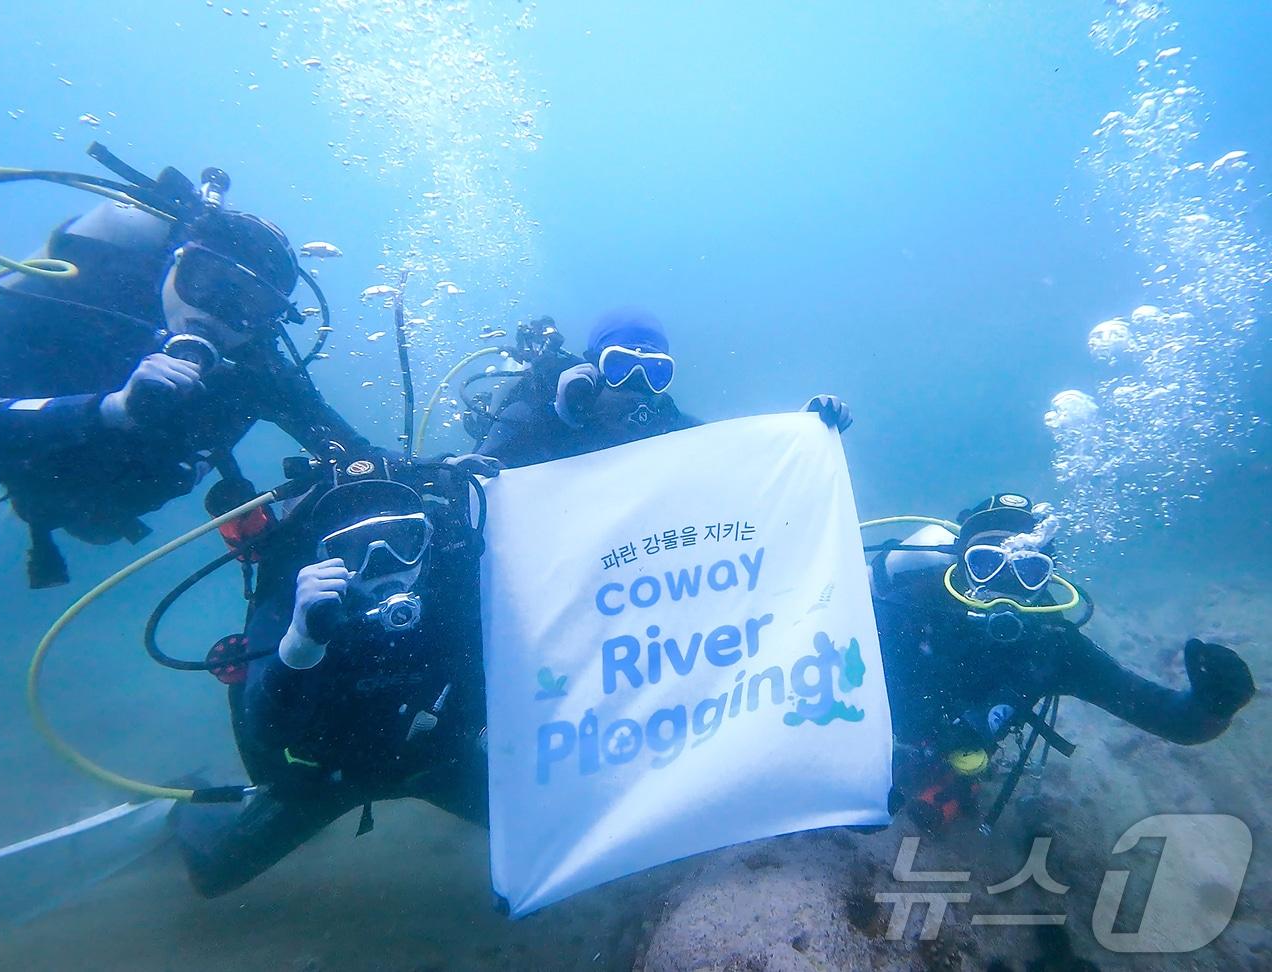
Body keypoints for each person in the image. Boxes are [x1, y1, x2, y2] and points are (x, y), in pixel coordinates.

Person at [0, 182, 371, 587]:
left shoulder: (255, 367)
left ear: (267, 323)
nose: (213, 315)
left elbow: (352, 451)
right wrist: (109, 409)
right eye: (205, 283)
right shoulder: (77, 289)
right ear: (177, 261)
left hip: (79, 498)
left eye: (249, 307)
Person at [173, 456, 489, 897]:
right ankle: (185, 800)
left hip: (435, 761)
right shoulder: (296, 602)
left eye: (404, 539)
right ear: (325, 555)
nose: (385, 564)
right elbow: (266, 732)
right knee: (211, 876)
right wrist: (300, 642)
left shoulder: (457, 582)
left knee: (546, 824)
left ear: (428, 538)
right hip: (324, 778)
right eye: (357, 550)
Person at [868, 494, 1256, 829]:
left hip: (946, 745)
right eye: (986, 563)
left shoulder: (1055, 648)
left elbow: (1173, 719)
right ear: (959, 563)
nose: (1006, 586)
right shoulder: (907, 603)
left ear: (1049, 578)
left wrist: (1215, 705)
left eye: (1029, 570)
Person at [475, 308, 852, 467]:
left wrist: (803, 434)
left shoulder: (672, 427)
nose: (636, 386)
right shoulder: (533, 416)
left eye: (654, 372)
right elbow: (477, 480)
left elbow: (744, 459)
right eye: (621, 366)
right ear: (593, 367)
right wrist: (558, 419)